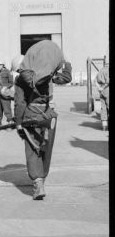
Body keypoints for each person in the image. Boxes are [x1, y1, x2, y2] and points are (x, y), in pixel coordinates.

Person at [14, 53, 72, 200]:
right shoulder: (48, 74)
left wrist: (18, 123)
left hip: (31, 114)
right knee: (47, 146)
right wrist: (66, 64)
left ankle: (38, 182)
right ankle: (42, 178)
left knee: (33, 148)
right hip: (49, 114)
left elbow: (20, 103)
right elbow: (66, 78)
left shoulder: (20, 79)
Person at [0, 60, 14, 129]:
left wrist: (6, 87)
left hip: (5, 92)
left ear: (3, 65)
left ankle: (10, 122)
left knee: (7, 107)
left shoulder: (7, 72)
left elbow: (11, 82)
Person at [95, 60, 109, 131]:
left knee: (103, 108)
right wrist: (103, 87)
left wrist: (100, 88)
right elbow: (108, 82)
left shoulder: (101, 70)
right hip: (107, 89)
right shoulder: (108, 70)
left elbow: (95, 81)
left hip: (101, 91)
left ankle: (104, 126)